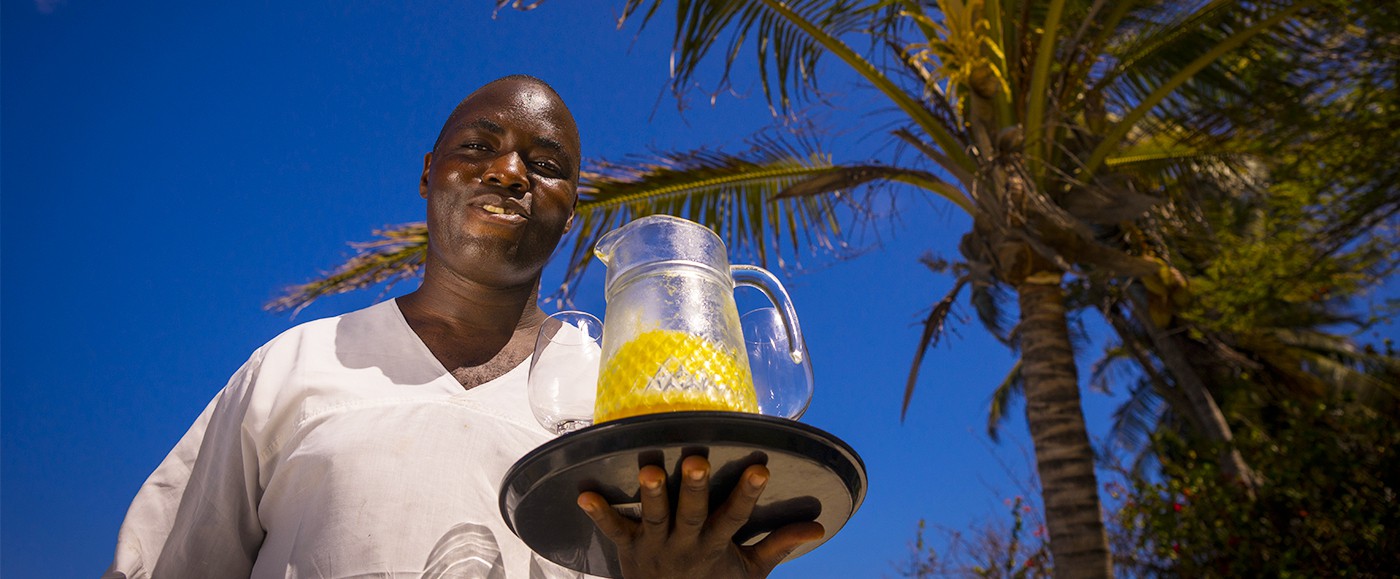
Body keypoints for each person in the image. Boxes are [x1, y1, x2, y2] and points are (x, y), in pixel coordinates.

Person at [105, 75, 822, 579]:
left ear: (569, 212)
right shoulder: (293, 365)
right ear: (429, 174)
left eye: (545, 165)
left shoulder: (621, 401)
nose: (510, 172)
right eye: (479, 147)